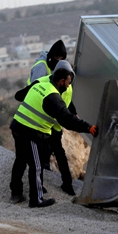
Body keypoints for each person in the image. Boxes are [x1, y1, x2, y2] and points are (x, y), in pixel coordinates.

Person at [10, 60, 97, 207]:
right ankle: (36, 200)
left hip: (18, 126)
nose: (69, 85)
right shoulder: (53, 97)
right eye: (68, 82)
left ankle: (16, 193)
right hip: (30, 131)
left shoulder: (41, 84)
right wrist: (88, 128)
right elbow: (66, 119)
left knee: (20, 160)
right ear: (61, 81)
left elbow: (21, 95)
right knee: (36, 166)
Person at [28, 39, 75, 194]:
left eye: (62, 59)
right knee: (41, 152)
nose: (59, 61)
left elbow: (64, 100)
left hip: (52, 119)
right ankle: (41, 184)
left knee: (56, 150)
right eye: (57, 58)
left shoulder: (62, 78)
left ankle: (66, 184)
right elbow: (37, 92)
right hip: (39, 118)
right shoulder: (42, 68)